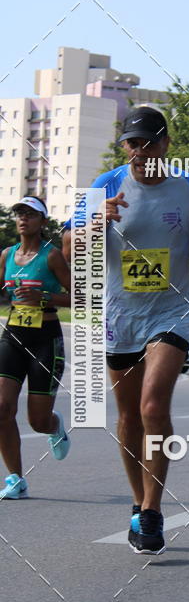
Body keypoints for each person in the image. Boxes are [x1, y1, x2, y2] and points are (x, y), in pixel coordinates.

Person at [63, 106, 189, 554]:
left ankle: (154, 510)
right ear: (124, 147)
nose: (141, 151)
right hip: (121, 314)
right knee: (127, 416)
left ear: (166, 144)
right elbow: (67, 248)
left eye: (150, 142)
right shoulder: (106, 185)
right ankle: (138, 503)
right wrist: (95, 224)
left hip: (171, 311)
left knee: (153, 406)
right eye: (133, 143)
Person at [0, 197, 72, 500]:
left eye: (30, 215)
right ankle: (15, 479)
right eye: (19, 214)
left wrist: (44, 295)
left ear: (43, 222)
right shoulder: (7, 254)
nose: (23, 219)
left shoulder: (52, 256)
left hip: (46, 338)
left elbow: (79, 298)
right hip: (13, 335)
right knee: (2, 408)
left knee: (37, 422)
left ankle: (54, 426)